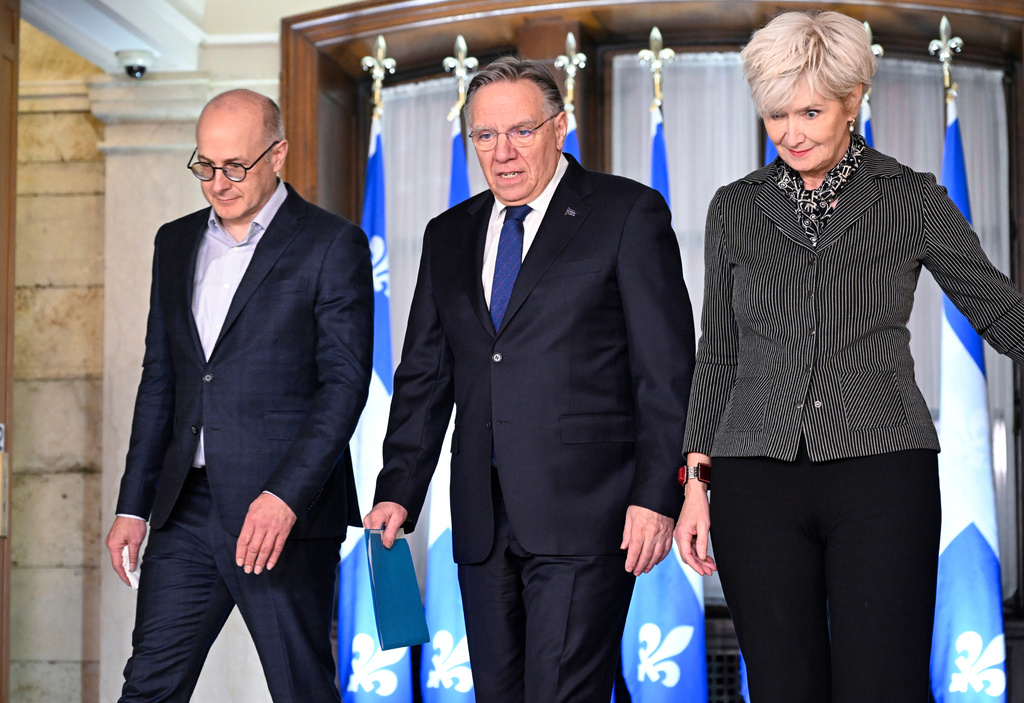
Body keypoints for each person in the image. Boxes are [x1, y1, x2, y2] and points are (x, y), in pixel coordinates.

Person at [673, 9, 1024, 702]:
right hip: (755, 480)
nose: (791, 133)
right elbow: (718, 353)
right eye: (776, 115)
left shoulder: (913, 198)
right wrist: (694, 483)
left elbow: (998, 307)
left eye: (809, 111)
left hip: (882, 476)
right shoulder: (733, 209)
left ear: (854, 98)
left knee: (881, 686)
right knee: (781, 687)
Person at [363, 56, 695, 702]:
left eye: (520, 131)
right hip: (483, 521)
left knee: (562, 690)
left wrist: (658, 493)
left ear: (560, 126)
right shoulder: (447, 235)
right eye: (484, 136)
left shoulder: (627, 213)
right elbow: (426, 376)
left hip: (587, 510)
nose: (502, 152)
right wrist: (398, 488)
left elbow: (666, 370)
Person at [103, 88, 373, 702]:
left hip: (279, 513)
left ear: (277, 155)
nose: (218, 183)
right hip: (184, 511)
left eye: (235, 167)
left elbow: (344, 385)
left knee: (300, 689)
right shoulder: (173, 243)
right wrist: (133, 505)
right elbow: (162, 379)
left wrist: (285, 496)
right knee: (147, 688)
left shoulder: (332, 243)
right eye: (205, 165)